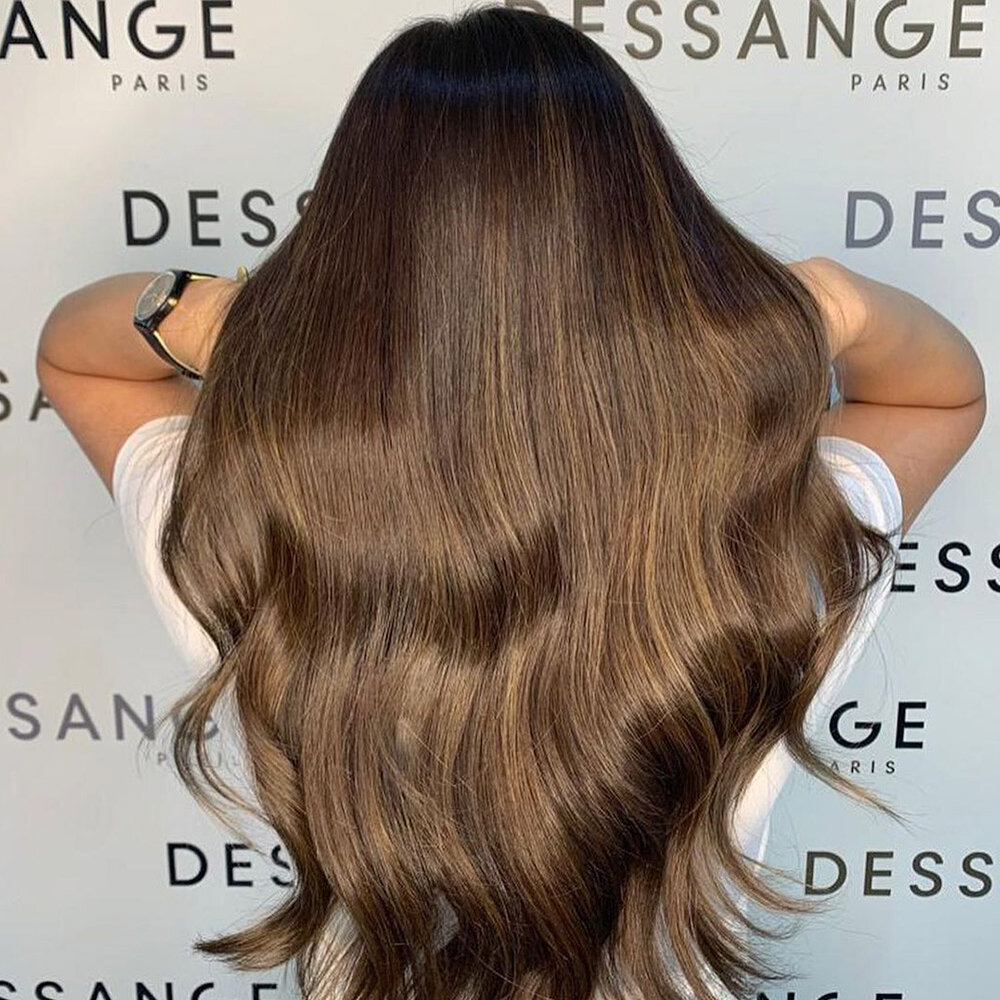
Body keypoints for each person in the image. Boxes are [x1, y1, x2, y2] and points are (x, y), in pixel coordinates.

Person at [34, 5, 985, 1000]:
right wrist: (818, 303)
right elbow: (936, 394)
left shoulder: (251, 547)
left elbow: (78, 353)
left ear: (346, 264)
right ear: (653, 246)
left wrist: (236, 322)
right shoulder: (766, 551)